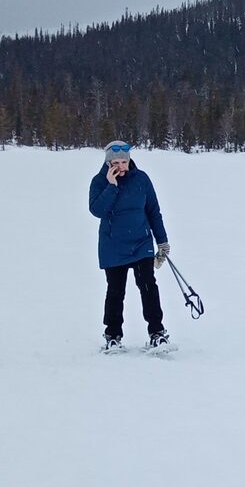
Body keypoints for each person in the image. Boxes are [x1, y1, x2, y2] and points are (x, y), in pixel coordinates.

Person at [87, 140, 172, 352]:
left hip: (141, 242)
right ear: (108, 163)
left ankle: (157, 333)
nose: (121, 166)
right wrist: (111, 186)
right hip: (113, 246)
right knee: (116, 291)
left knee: (148, 287)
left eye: (124, 161)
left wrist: (162, 241)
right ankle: (113, 336)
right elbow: (97, 210)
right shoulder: (99, 182)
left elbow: (153, 211)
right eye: (115, 162)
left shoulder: (141, 179)